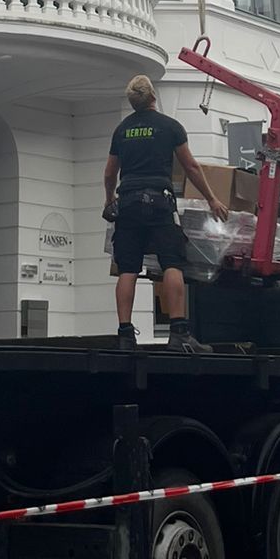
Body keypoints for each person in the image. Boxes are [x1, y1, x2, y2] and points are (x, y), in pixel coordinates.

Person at [104, 75, 228, 352]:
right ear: (153, 97)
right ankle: (179, 333)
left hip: (128, 203)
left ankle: (125, 334)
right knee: (172, 262)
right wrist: (212, 199)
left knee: (127, 268)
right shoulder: (170, 126)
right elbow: (191, 167)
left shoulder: (122, 130)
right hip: (159, 202)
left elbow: (110, 171)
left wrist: (108, 200)